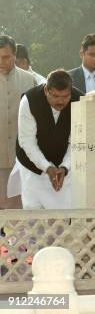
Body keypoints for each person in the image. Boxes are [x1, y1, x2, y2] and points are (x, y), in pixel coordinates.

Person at [16, 70, 82, 209]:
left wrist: (65, 167)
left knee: (63, 213)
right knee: (33, 211)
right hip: (32, 164)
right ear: (46, 90)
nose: (60, 101)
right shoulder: (29, 100)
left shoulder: (80, 101)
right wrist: (47, 167)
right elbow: (27, 141)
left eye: (65, 96)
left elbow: (77, 142)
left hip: (65, 164)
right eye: (56, 96)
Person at [0, 35, 37, 209]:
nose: (1, 61)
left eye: (5, 57)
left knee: (17, 214)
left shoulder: (29, 80)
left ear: (15, 55)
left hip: (20, 160)